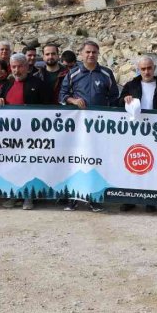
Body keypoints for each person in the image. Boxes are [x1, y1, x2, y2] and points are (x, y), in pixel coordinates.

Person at [59, 40, 120, 212]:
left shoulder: (107, 74)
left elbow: (114, 98)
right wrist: (73, 100)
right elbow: (62, 96)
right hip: (78, 128)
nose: (91, 55)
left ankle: (94, 197)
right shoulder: (73, 73)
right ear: (81, 54)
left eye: (94, 52)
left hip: (99, 128)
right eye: (88, 52)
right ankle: (73, 197)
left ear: (98, 54)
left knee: (96, 161)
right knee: (76, 160)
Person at [0, 54, 53, 210]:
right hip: (11, 137)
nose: (16, 70)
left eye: (20, 66)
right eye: (13, 67)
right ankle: (14, 195)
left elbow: (50, 108)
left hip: (32, 136)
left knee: (30, 165)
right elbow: (2, 102)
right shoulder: (7, 84)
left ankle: (29, 197)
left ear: (27, 67)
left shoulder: (39, 84)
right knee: (12, 165)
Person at [119, 56, 157, 213]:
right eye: (143, 69)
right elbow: (117, 102)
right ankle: (129, 199)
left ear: (154, 69)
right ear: (139, 69)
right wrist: (124, 99)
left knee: (152, 166)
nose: (146, 71)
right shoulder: (130, 85)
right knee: (131, 165)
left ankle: (151, 199)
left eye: (149, 68)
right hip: (134, 132)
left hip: (155, 134)